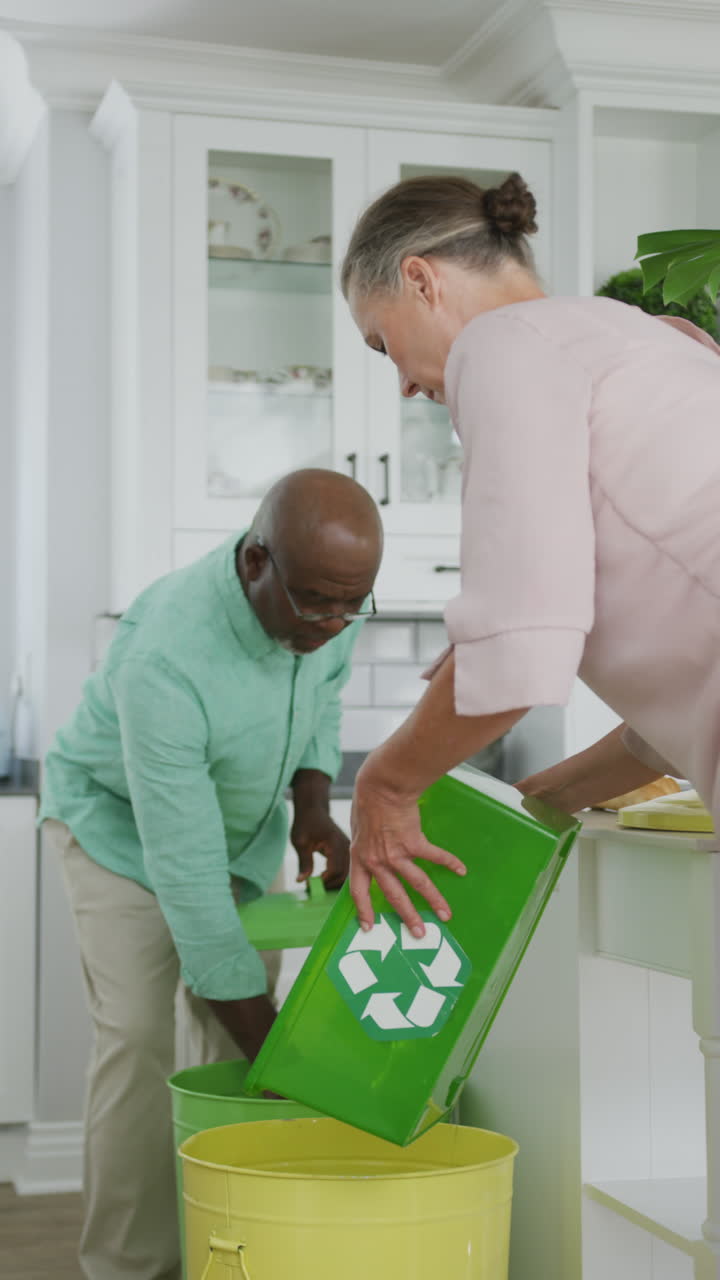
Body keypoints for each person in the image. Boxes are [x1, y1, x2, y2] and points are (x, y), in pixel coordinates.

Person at [340, 171, 720, 938]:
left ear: (419, 279)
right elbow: (674, 701)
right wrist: (535, 802)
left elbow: (523, 638)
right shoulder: (649, 338)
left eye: (382, 345)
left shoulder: (503, 343)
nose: (406, 385)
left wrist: (384, 784)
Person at [39, 467, 383, 1280]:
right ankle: (131, 1266)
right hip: (119, 834)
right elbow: (186, 879)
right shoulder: (165, 655)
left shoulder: (328, 592)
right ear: (255, 562)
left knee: (219, 1038)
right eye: (316, 606)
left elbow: (323, 695)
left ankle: (225, 1254)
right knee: (142, 1037)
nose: (334, 625)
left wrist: (310, 804)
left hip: (244, 832)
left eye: (350, 606)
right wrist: (281, 1068)